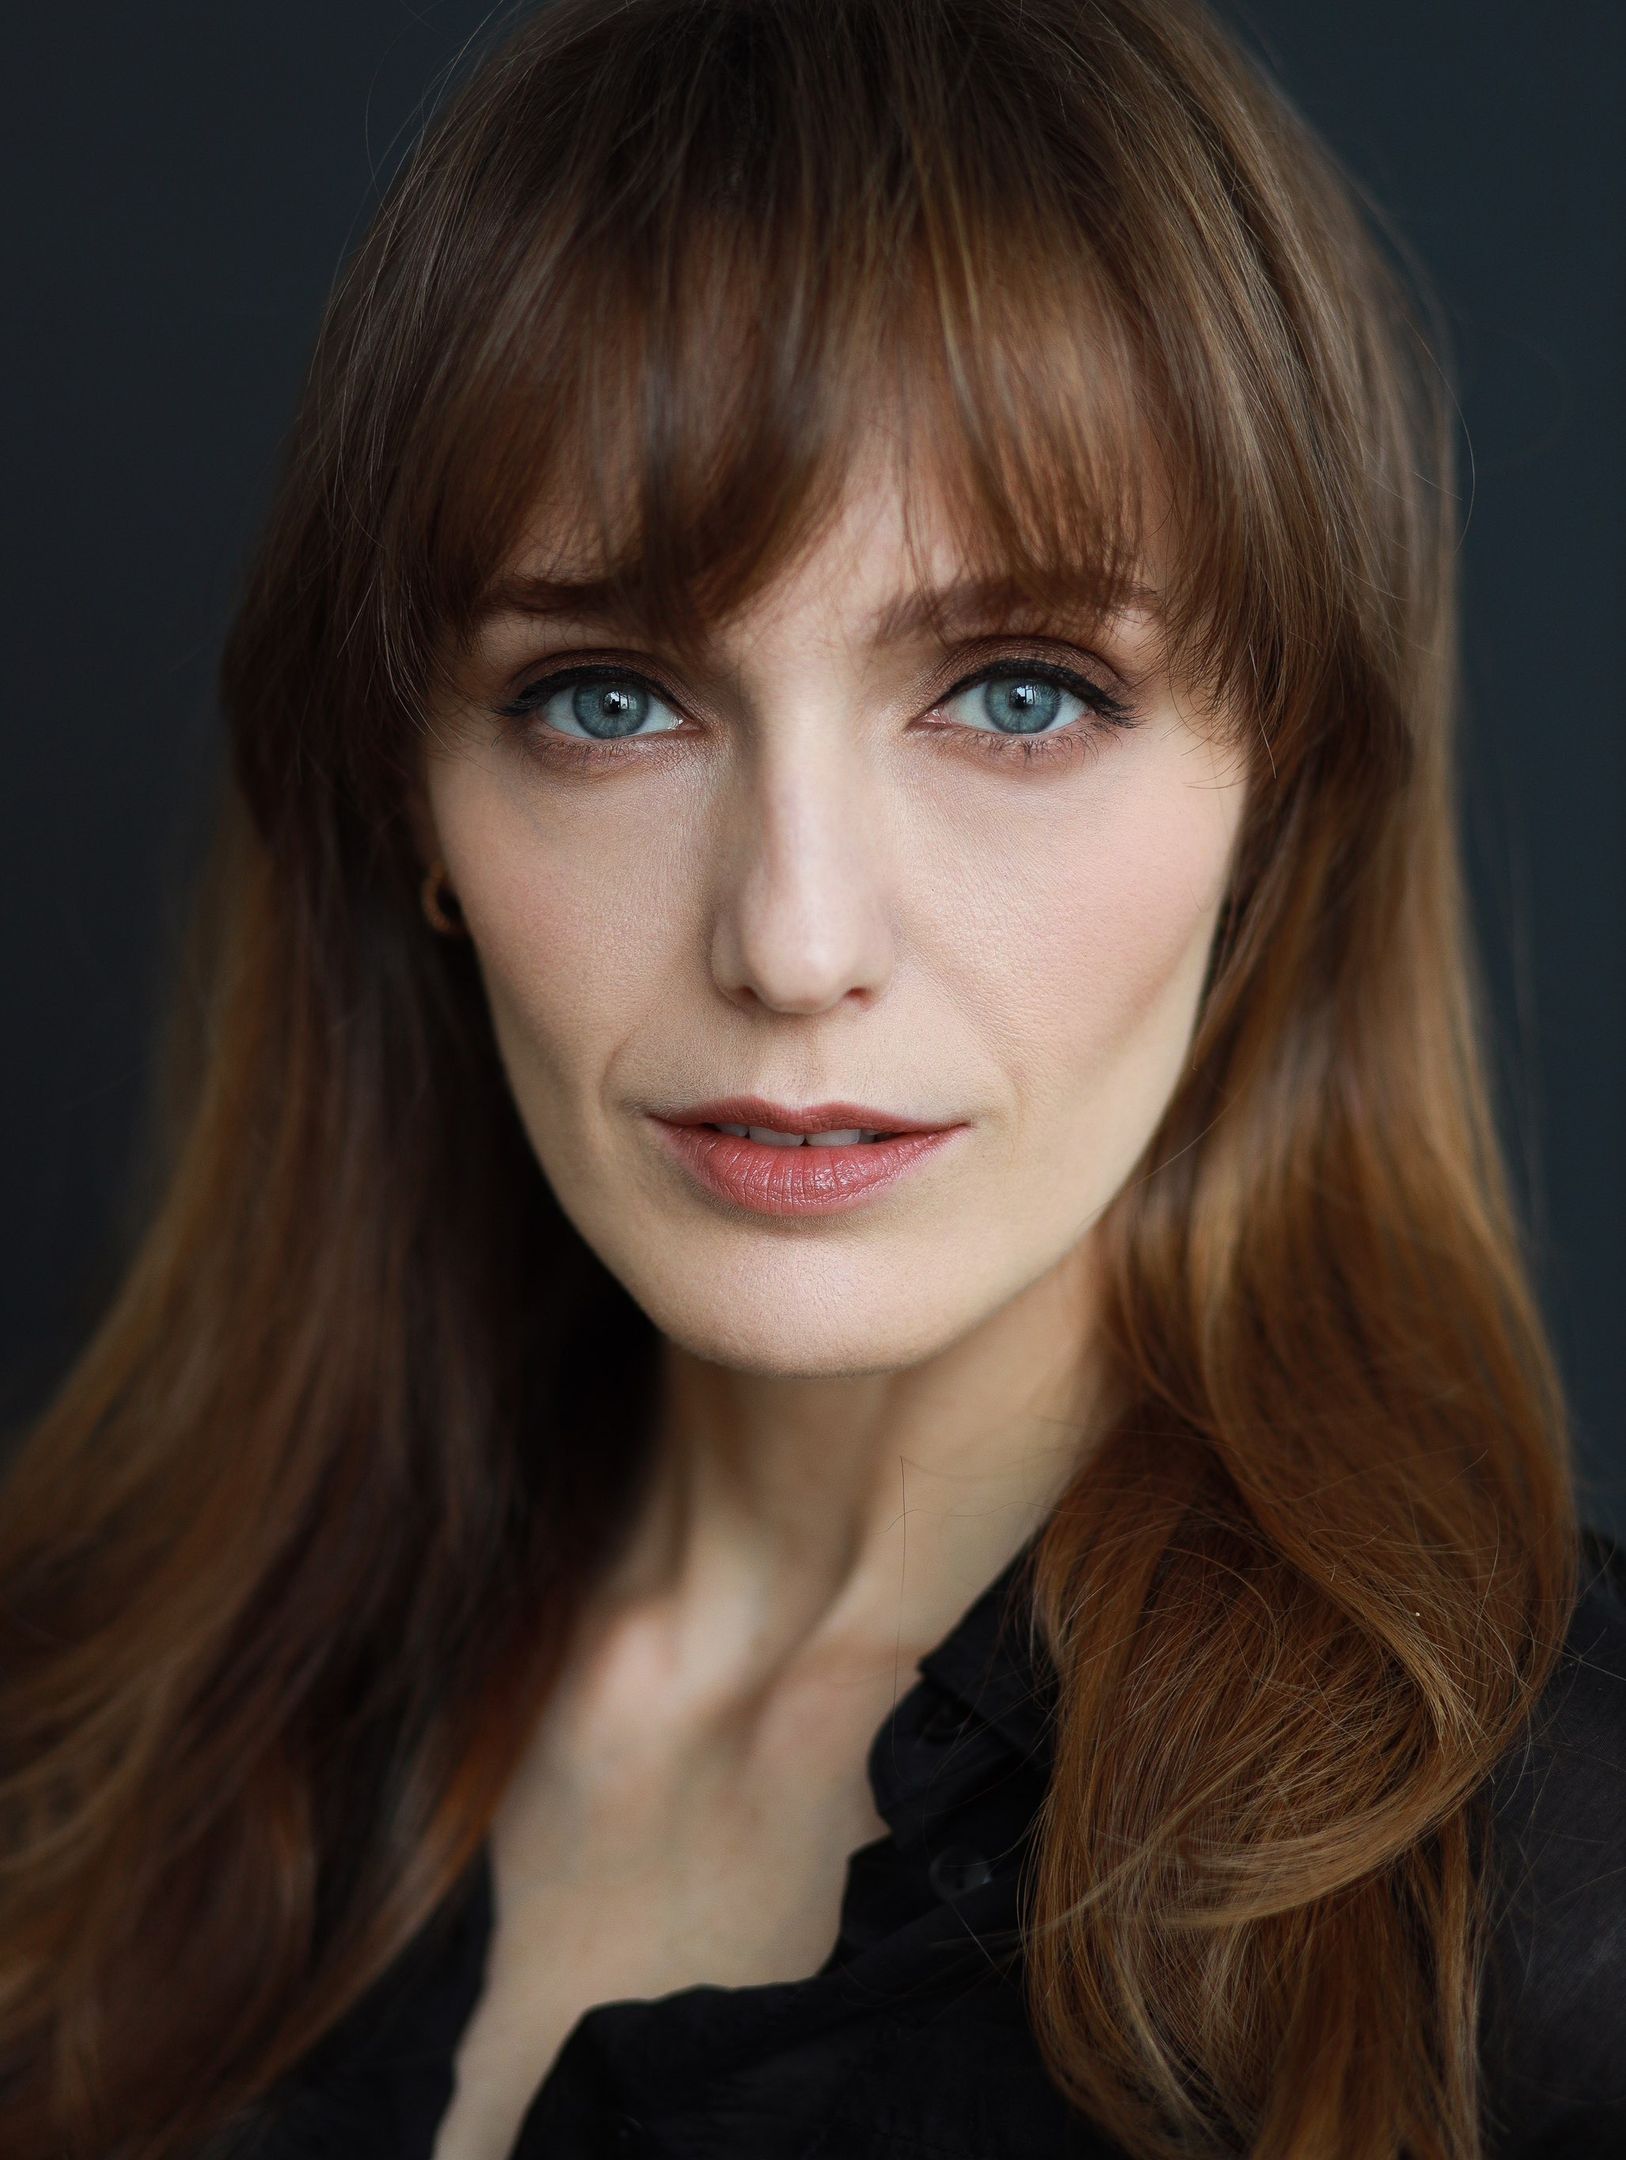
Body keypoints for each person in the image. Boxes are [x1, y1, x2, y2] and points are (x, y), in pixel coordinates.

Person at [2, 0, 1622, 2154]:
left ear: (1280, 799)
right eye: (607, 700)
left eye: (1020, 695)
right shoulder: (77, 1728)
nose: (792, 940)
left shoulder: (1548, 1927)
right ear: (413, 806)